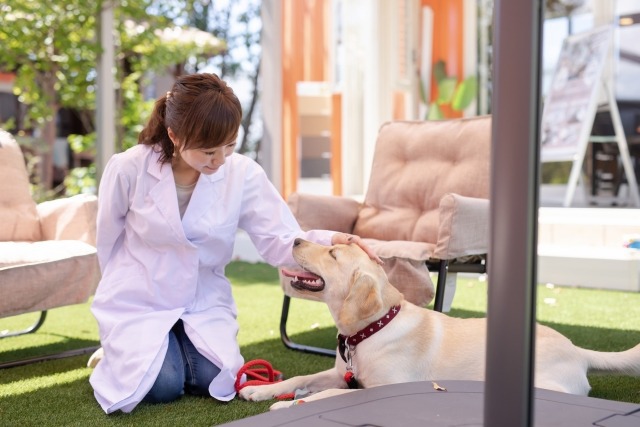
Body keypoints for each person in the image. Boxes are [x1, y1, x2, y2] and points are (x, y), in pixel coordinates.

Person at [89, 73, 380, 414]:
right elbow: (107, 241)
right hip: (141, 299)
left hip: (202, 301)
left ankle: (167, 346)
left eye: (229, 146)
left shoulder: (243, 174)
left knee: (214, 379)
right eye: (208, 151)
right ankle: (121, 352)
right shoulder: (128, 168)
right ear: (174, 135)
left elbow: (279, 238)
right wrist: (115, 303)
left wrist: (330, 240)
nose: (220, 160)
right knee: (163, 386)